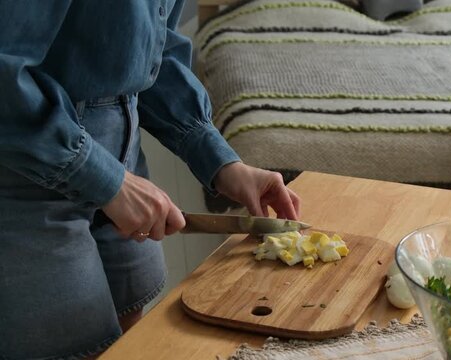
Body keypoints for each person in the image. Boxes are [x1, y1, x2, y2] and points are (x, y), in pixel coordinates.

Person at [0, 1, 300, 359]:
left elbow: (158, 52)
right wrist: (107, 179)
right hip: (22, 184)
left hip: (121, 176)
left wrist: (222, 163)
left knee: (132, 339)